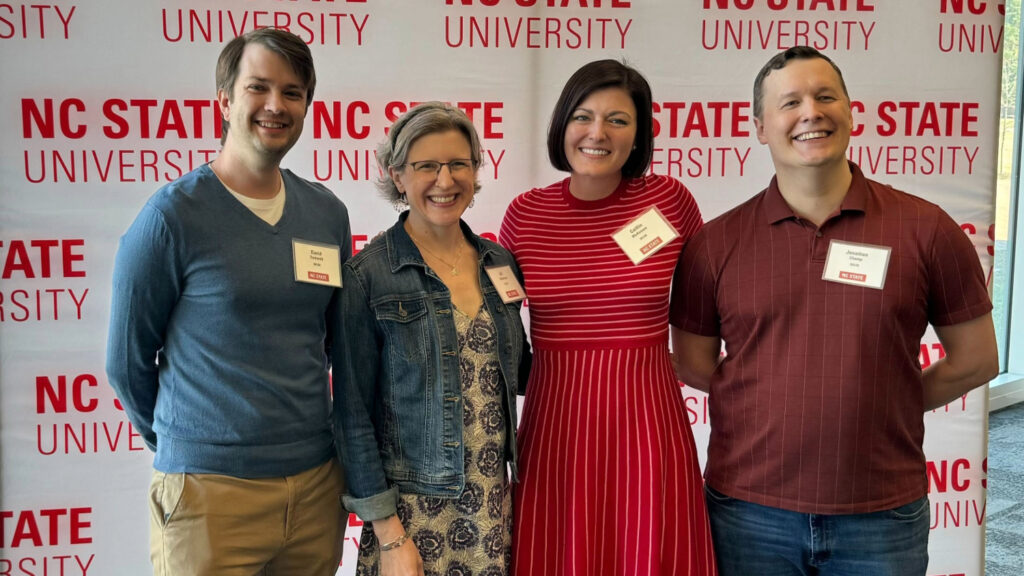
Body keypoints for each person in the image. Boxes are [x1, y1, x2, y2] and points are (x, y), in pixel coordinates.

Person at [670, 46, 999, 576]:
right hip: (750, 513)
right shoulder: (714, 243)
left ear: (851, 111)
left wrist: (879, 398)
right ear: (759, 126)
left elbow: (977, 359)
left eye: (826, 97)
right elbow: (692, 363)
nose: (810, 113)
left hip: (882, 513)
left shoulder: (926, 229)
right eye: (790, 102)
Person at [105, 28, 350, 576]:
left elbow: (335, 343)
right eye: (258, 87)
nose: (275, 105)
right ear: (224, 100)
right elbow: (125, 363)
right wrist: (190, 448)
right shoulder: (172, 218)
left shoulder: (326, 214)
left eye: (292, 92)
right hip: (209, 498)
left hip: (314, 490)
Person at [500, 60, 717, 576]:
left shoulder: (669, 201)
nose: (598, 133)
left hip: (648, 425)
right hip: (557, 425)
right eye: (584, 116)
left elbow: (712, 309)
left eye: (618, 120)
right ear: (562, 126)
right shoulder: (525, 215)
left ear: (639, 134)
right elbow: (498, 332)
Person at [334, 102, 531, 576]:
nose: (445, 181)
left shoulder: (499, 262)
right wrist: (389, 535)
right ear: (397, 175)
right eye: (426, 166)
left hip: (492, 507)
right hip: (414, 521)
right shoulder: (369, 276)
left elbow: (519, 372)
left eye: (458, 163)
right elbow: (351, 416)